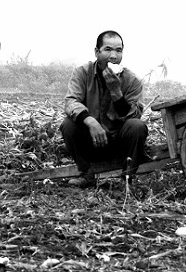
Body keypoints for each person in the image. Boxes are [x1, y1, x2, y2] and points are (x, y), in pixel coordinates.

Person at [60, 30, 148, 188]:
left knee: (137, 126)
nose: (113, 56)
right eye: (108, 49)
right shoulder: (82, 73)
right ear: (96, 52)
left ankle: (127, 178)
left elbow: (136, 114)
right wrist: (91, 122)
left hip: (117, 144)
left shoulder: (132, 81)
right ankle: (86, 173)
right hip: (91, 142)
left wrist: (116, 93)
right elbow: (71, 101)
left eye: (118, 51)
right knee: (68, 125)